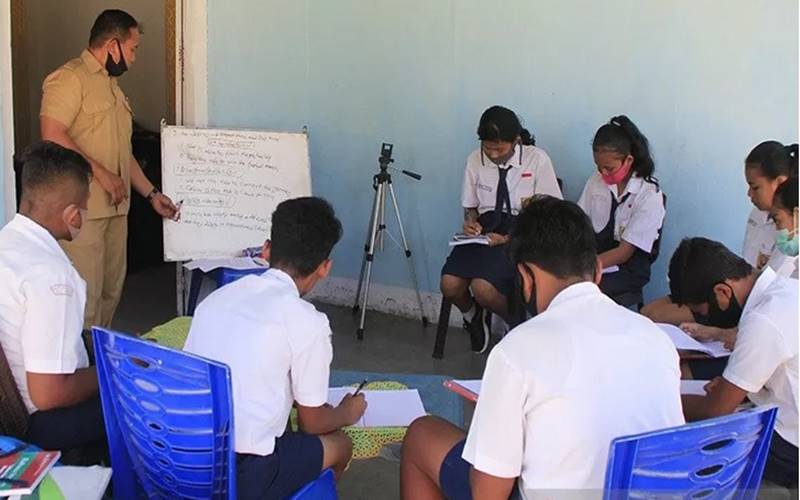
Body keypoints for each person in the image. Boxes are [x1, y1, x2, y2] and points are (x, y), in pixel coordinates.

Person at [402, 196, 684, 499]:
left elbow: (488, 495)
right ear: (598, 272)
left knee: (422, 435)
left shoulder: (517, 351)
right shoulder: (655, 337)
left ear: (525, 277)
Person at [184, 197, 364, 498]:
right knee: (340, 444)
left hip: (187, 453)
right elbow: (312, 423)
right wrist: (347, 412)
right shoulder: (309, 323)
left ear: (266, 250)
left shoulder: (216, 299)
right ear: (324, 268)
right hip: (243, 473)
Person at [40, 9, 178, 330]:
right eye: (132, 49)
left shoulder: (113, 88)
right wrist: (100, 173)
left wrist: (152, 193)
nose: (133, 57)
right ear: (113, 45)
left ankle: (97, 372)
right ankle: (77, 373)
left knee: (109, 295)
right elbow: (52, 134)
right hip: (81, 212)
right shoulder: (70, 78)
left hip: (116, 209)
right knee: (82, 300)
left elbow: (123, 153)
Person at [0, 141, 105, 455]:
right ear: (72, 214)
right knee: (141, 398)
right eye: (86, 204)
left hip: (8, 406)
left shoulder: (7, 242)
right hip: (38, 424)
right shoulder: (52, 276)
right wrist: (110, 371)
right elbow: (48, 394)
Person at [671, 237, 798, 489]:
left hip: (791, 444)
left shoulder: (764, 320)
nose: (705, 318)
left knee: (692, 452)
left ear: (722, 291)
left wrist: (662, 398)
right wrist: (735, 389)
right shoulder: (786, 290)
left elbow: (714, 410)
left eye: (702, 312)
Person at [440, 105, 562, 353]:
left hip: (524, 230)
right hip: (486, 230)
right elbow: (471, 207)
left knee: (483, 288)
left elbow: (549, 214)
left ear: (516, 141)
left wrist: (508, 238)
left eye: (500, 148)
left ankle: (514, 321)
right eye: (488, 148)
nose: (493, 154)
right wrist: (471, 223)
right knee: (449, 284)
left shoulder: (537, 159)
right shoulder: (474, 159)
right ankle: (473, 316)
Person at [642, 141, 798, 325]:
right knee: (648, 311)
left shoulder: (792, 230)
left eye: (755, 187)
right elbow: (746, 266)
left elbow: (771, 290)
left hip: (754, 306)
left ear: (780, 182)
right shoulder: (757, 216)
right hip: (737, 290)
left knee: (659, 316)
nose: (749, 194)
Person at [577, 115, 664, 302]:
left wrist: (586, 270)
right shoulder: (595, 181)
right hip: (595, 257)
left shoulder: (649, 194)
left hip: (628, 267)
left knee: (585, 293)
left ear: (629, 160)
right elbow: (579, 222)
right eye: (599, 168)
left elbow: (624, 252)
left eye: (610, 168)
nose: (603, 173)